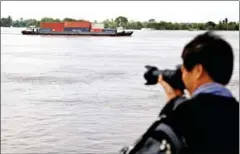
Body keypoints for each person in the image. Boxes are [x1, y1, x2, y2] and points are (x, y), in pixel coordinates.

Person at [120, 31, 239, 154]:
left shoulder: (183, 115)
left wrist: (171, 107)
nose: (182, 74)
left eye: (184, 69)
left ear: (198, 70)